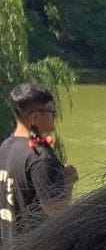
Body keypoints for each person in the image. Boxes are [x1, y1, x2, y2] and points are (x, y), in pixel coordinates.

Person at [0, 82, 77, 241]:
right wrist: (68, 183)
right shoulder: (40, 157)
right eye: (51, 112)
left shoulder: (5, 147)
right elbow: (57, 213)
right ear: (35, 116)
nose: (54, 117)